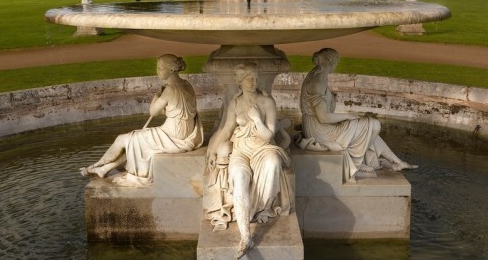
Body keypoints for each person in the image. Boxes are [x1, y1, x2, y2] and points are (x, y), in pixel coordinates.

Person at [206, 63, 293, 259]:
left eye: (256, 78)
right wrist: (212, 150)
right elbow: (227, 130)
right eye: (249, 79)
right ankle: (246, 236)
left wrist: (256, 119)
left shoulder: (267, 102)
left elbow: (269, 137)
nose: (254, 82)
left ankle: (256, 208)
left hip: (263, 148)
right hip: (241, 150)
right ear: (239, 81)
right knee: (239, 176)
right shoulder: (235, 104)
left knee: (273, 163)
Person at [80, 54, 203, 187]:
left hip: (173, 136)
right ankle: (103, 169)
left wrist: (157, 95)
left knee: (123, 139)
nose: (158, 71)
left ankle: (97, 164)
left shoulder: (170, 89)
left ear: (171, 69)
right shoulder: (187, 84)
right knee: (134, 143)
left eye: (160, 68)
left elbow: (153, 112)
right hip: (184, 132)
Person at [296, 48, 417, 182]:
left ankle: (397, 162)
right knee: (373, 124)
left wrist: (332, 100)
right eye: (336, 62)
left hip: (317, 125)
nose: (336, 65)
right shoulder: (317, 82)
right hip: (320, 131)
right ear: (331, 62)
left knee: (369, 127)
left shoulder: (317, 75)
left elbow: (324, 111)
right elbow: (324, 118)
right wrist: (348, 116)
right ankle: (358, 163)